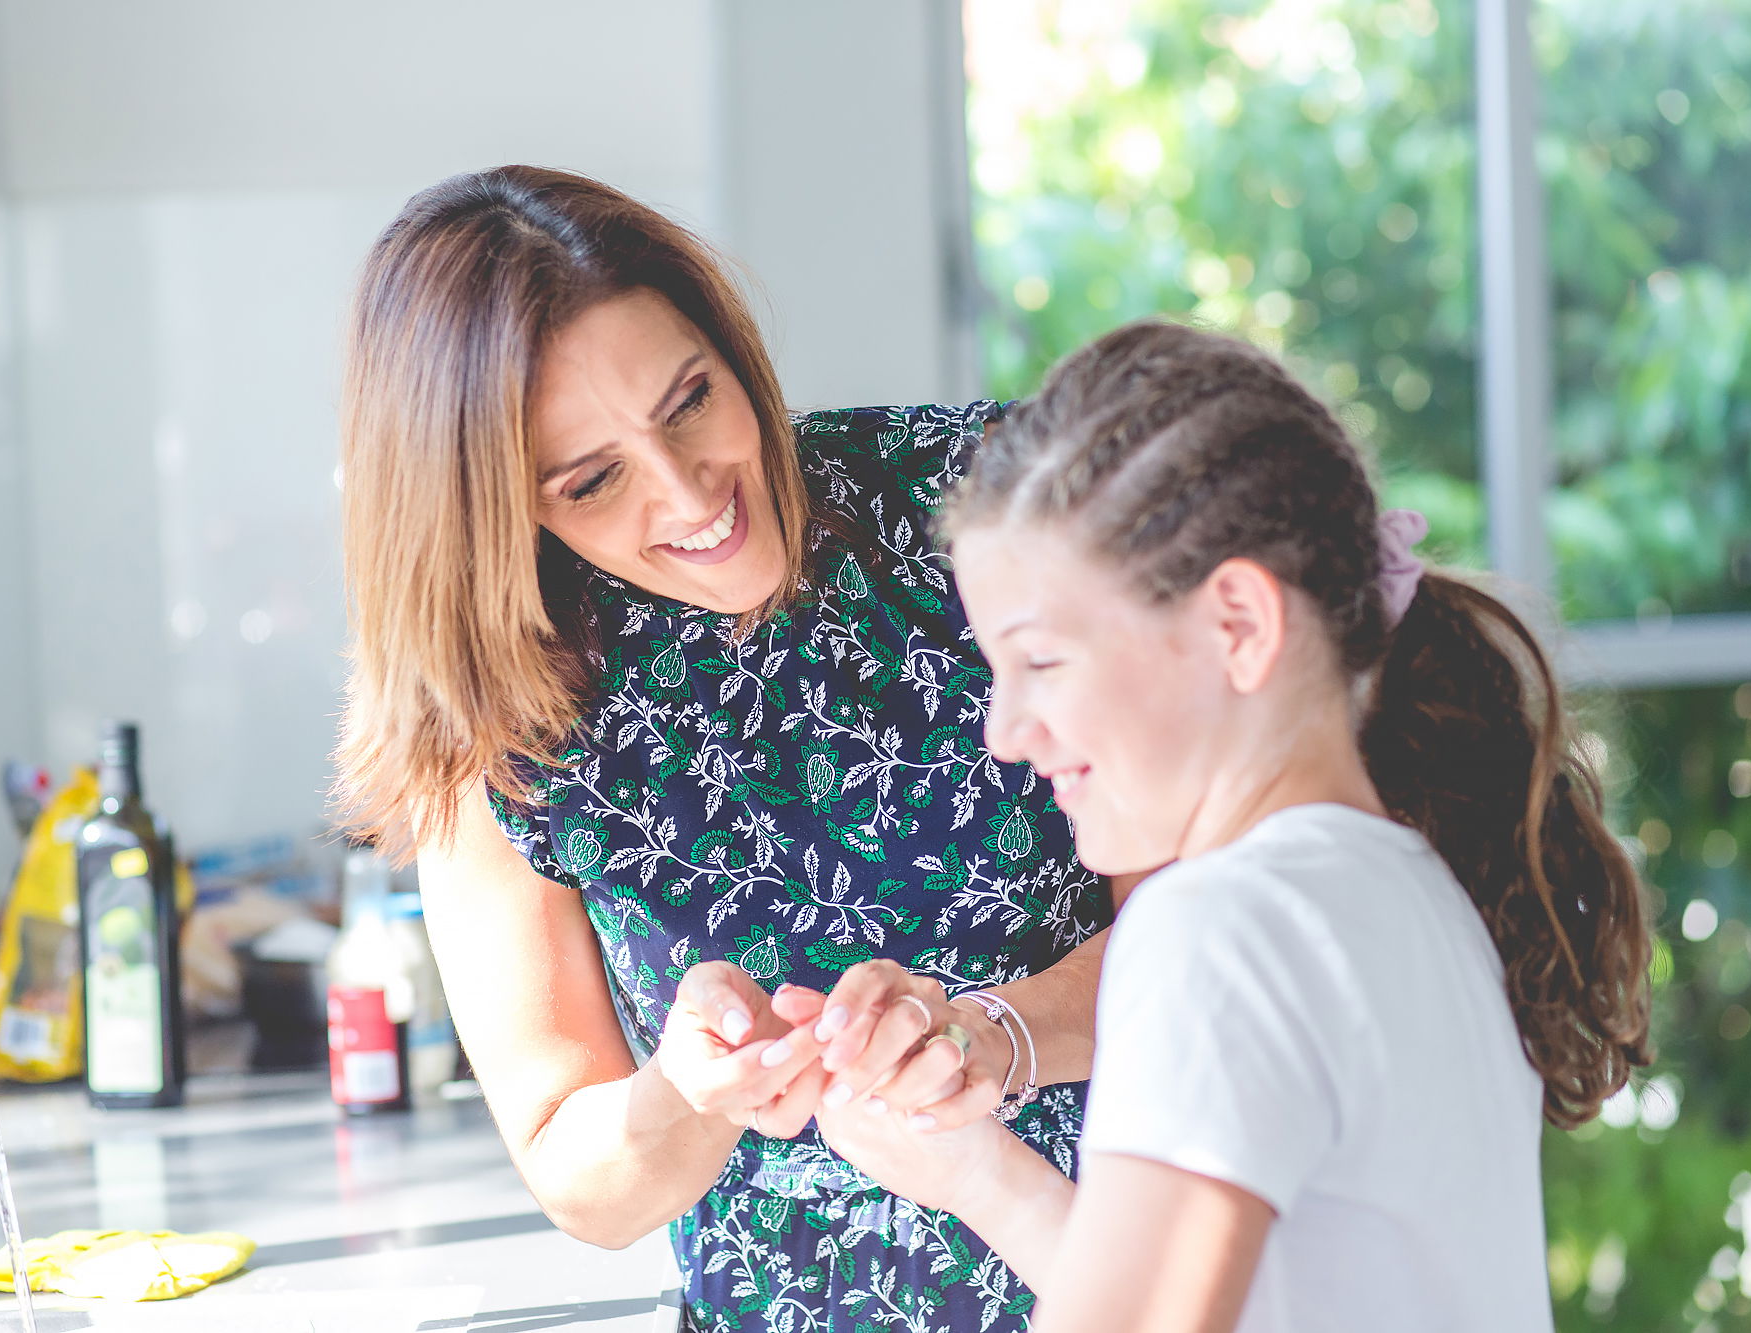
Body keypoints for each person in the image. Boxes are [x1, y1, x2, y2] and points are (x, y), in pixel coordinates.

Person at [331, 165, 1119, 1331]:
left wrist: (993, 1033)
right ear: (499, 508)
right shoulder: (492, 713)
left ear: (724, 342)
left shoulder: (990, 504)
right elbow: (579, 1178)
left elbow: (1225, 935)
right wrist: (686, 1095)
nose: (687, 493)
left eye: (690, 401)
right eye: (591, 479)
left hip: (1132, 1276)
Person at [816, 319, 1655, 1331]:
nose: (1004, 732)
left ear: (1239, 627)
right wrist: (977, 1176)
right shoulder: (1409, 893)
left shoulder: (1218, 926)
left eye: (1039, 661)